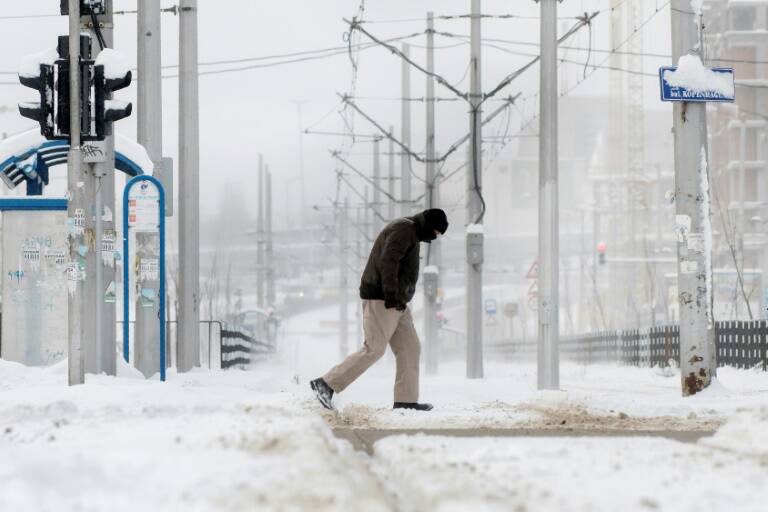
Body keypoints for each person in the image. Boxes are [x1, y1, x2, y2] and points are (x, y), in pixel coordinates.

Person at [311, 208, 449, 411]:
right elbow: (388, 262)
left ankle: (406, 402)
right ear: (430, 225)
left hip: (398, 302)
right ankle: (326, 384)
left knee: (410, 348)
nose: (435, 237)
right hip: (383, 299)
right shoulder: (404, 229)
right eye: (436, 232)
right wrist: (391, 294)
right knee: (374, 349)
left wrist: (399, 297)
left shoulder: (411, 232)